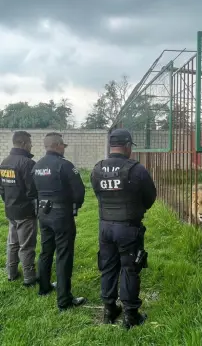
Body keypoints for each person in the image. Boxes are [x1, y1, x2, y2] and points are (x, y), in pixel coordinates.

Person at [91, 128, 156, 329]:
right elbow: (150, 197)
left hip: (105, 227)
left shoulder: (97, 168)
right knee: (130, 269)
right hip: (128, 228)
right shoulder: (136, 169)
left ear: (111, 145)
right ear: (127, 146)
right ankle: (130, 316)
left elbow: (98, 193)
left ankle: (109, 310)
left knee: (108, 267)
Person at [32, 132, 86, 310]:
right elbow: (79, 192)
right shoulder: (65, 165)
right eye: (63, 145)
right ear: (56, 145)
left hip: (43, 213)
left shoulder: (37, 165)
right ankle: (64, 300)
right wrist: (75, 204)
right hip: (61, 215)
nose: (64, 148)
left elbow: (32, 191)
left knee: (46, 251)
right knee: (63, 255)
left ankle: (44, 287)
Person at [0, 131, 38, 286]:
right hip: (26, 212)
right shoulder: (28, 163)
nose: (31, 145)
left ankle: (11, 273)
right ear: (23, 143)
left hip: (11, 210)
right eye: (29, 142)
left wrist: (9, 202)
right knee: (27, 246)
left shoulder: (4, 162)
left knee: (12, 243)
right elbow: (32, 191)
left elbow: (2, 189)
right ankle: (29, 277)